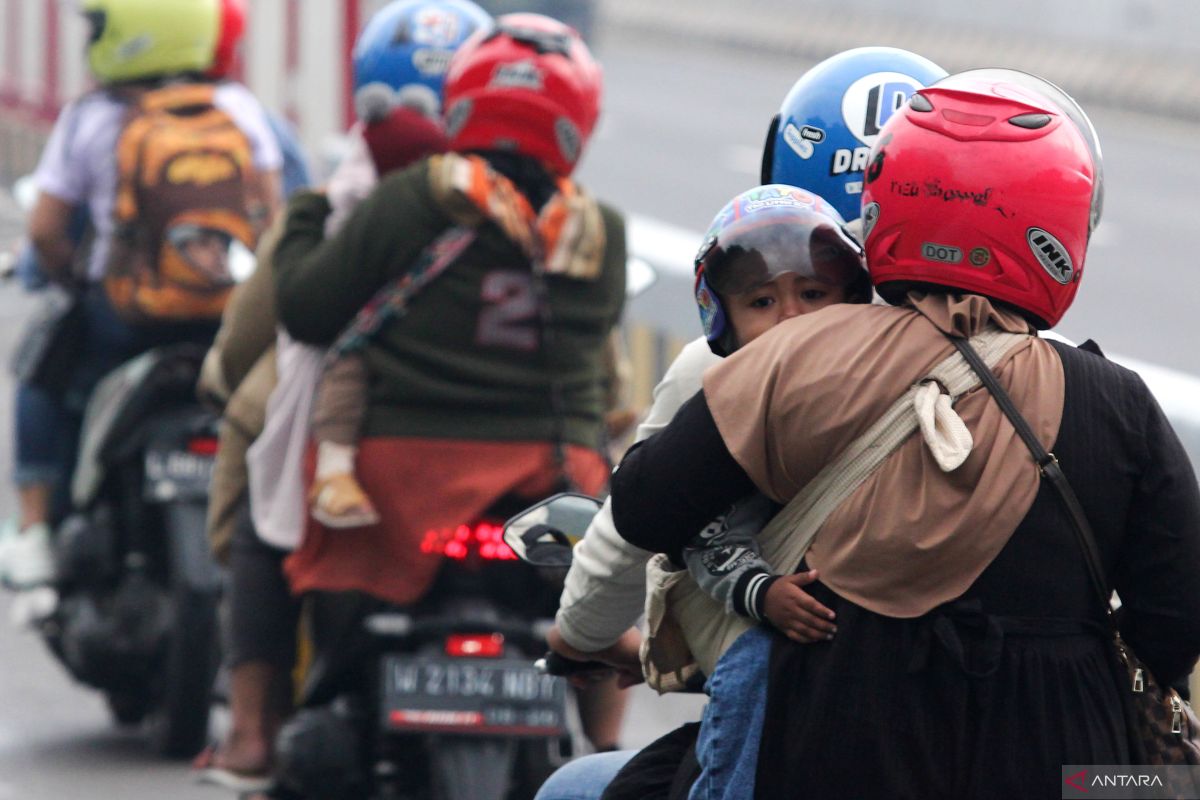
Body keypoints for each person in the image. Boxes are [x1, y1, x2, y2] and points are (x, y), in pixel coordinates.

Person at [608, 71, 1200, 798]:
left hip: (840, 738)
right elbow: (1175, 619)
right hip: (1062, 754)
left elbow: (643, 507)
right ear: (1062, 227)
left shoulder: (794, 355)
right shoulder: (1120, 406)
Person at [535, 47, 946, 800]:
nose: (792, 319)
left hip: (804, 717)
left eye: (812, 295)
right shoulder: (1034, 370)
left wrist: (581, 637)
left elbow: (631, 528)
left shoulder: (725, 368)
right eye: (768, 301)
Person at [272, 8, 629, 759]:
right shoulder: (602, 231)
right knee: (601, 613)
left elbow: (307, 312)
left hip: (399, 481)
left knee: (269, 526)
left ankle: (259, 725)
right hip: (552, 486)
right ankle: (604, 750)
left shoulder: (415, 196)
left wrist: (306, 212)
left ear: (462, 100)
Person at [193, 1, 486, 791]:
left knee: (262, 497)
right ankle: (599, 727)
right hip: (513, 449)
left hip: (358, 451)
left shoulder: (338, 207)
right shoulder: (542, 211)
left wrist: (225, 387)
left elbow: (267, 328)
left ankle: (253, 729)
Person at [0, 0, 283, 615]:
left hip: (125, 321)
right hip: (222, 319)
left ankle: (36, 532)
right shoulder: (239, 109)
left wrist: (68, 277)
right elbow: (276, 215)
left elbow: (48, 229)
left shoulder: (93, 116)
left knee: (43, 376)